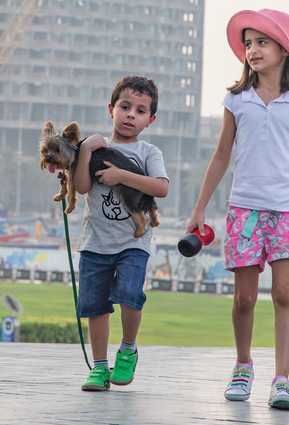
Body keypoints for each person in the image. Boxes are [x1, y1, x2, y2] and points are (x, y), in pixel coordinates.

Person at [186, 8, 289, 411]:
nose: (252, 50)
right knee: (244, 299)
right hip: (242, 210)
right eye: (248, 43)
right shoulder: (236, 99)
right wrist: (199, 209)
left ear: (285, 51)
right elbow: (219, 157)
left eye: (262, 42)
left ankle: (281, 380)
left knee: (284, 292)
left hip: (287, 212)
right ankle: (243, 366)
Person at [74, 76, 169, 392]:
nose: (131, 115)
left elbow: (161, 187)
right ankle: (100, 368)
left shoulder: (148, 152)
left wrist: (120, 176)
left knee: (130, 295)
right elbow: (82, 187)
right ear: (111, 109)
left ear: (150, 120)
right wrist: (85, 150)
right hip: (95, 242)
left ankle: (128, 348)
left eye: (140, 111)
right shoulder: (94, 145)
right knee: (95, 305)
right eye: (125, 107)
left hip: (132, 242)